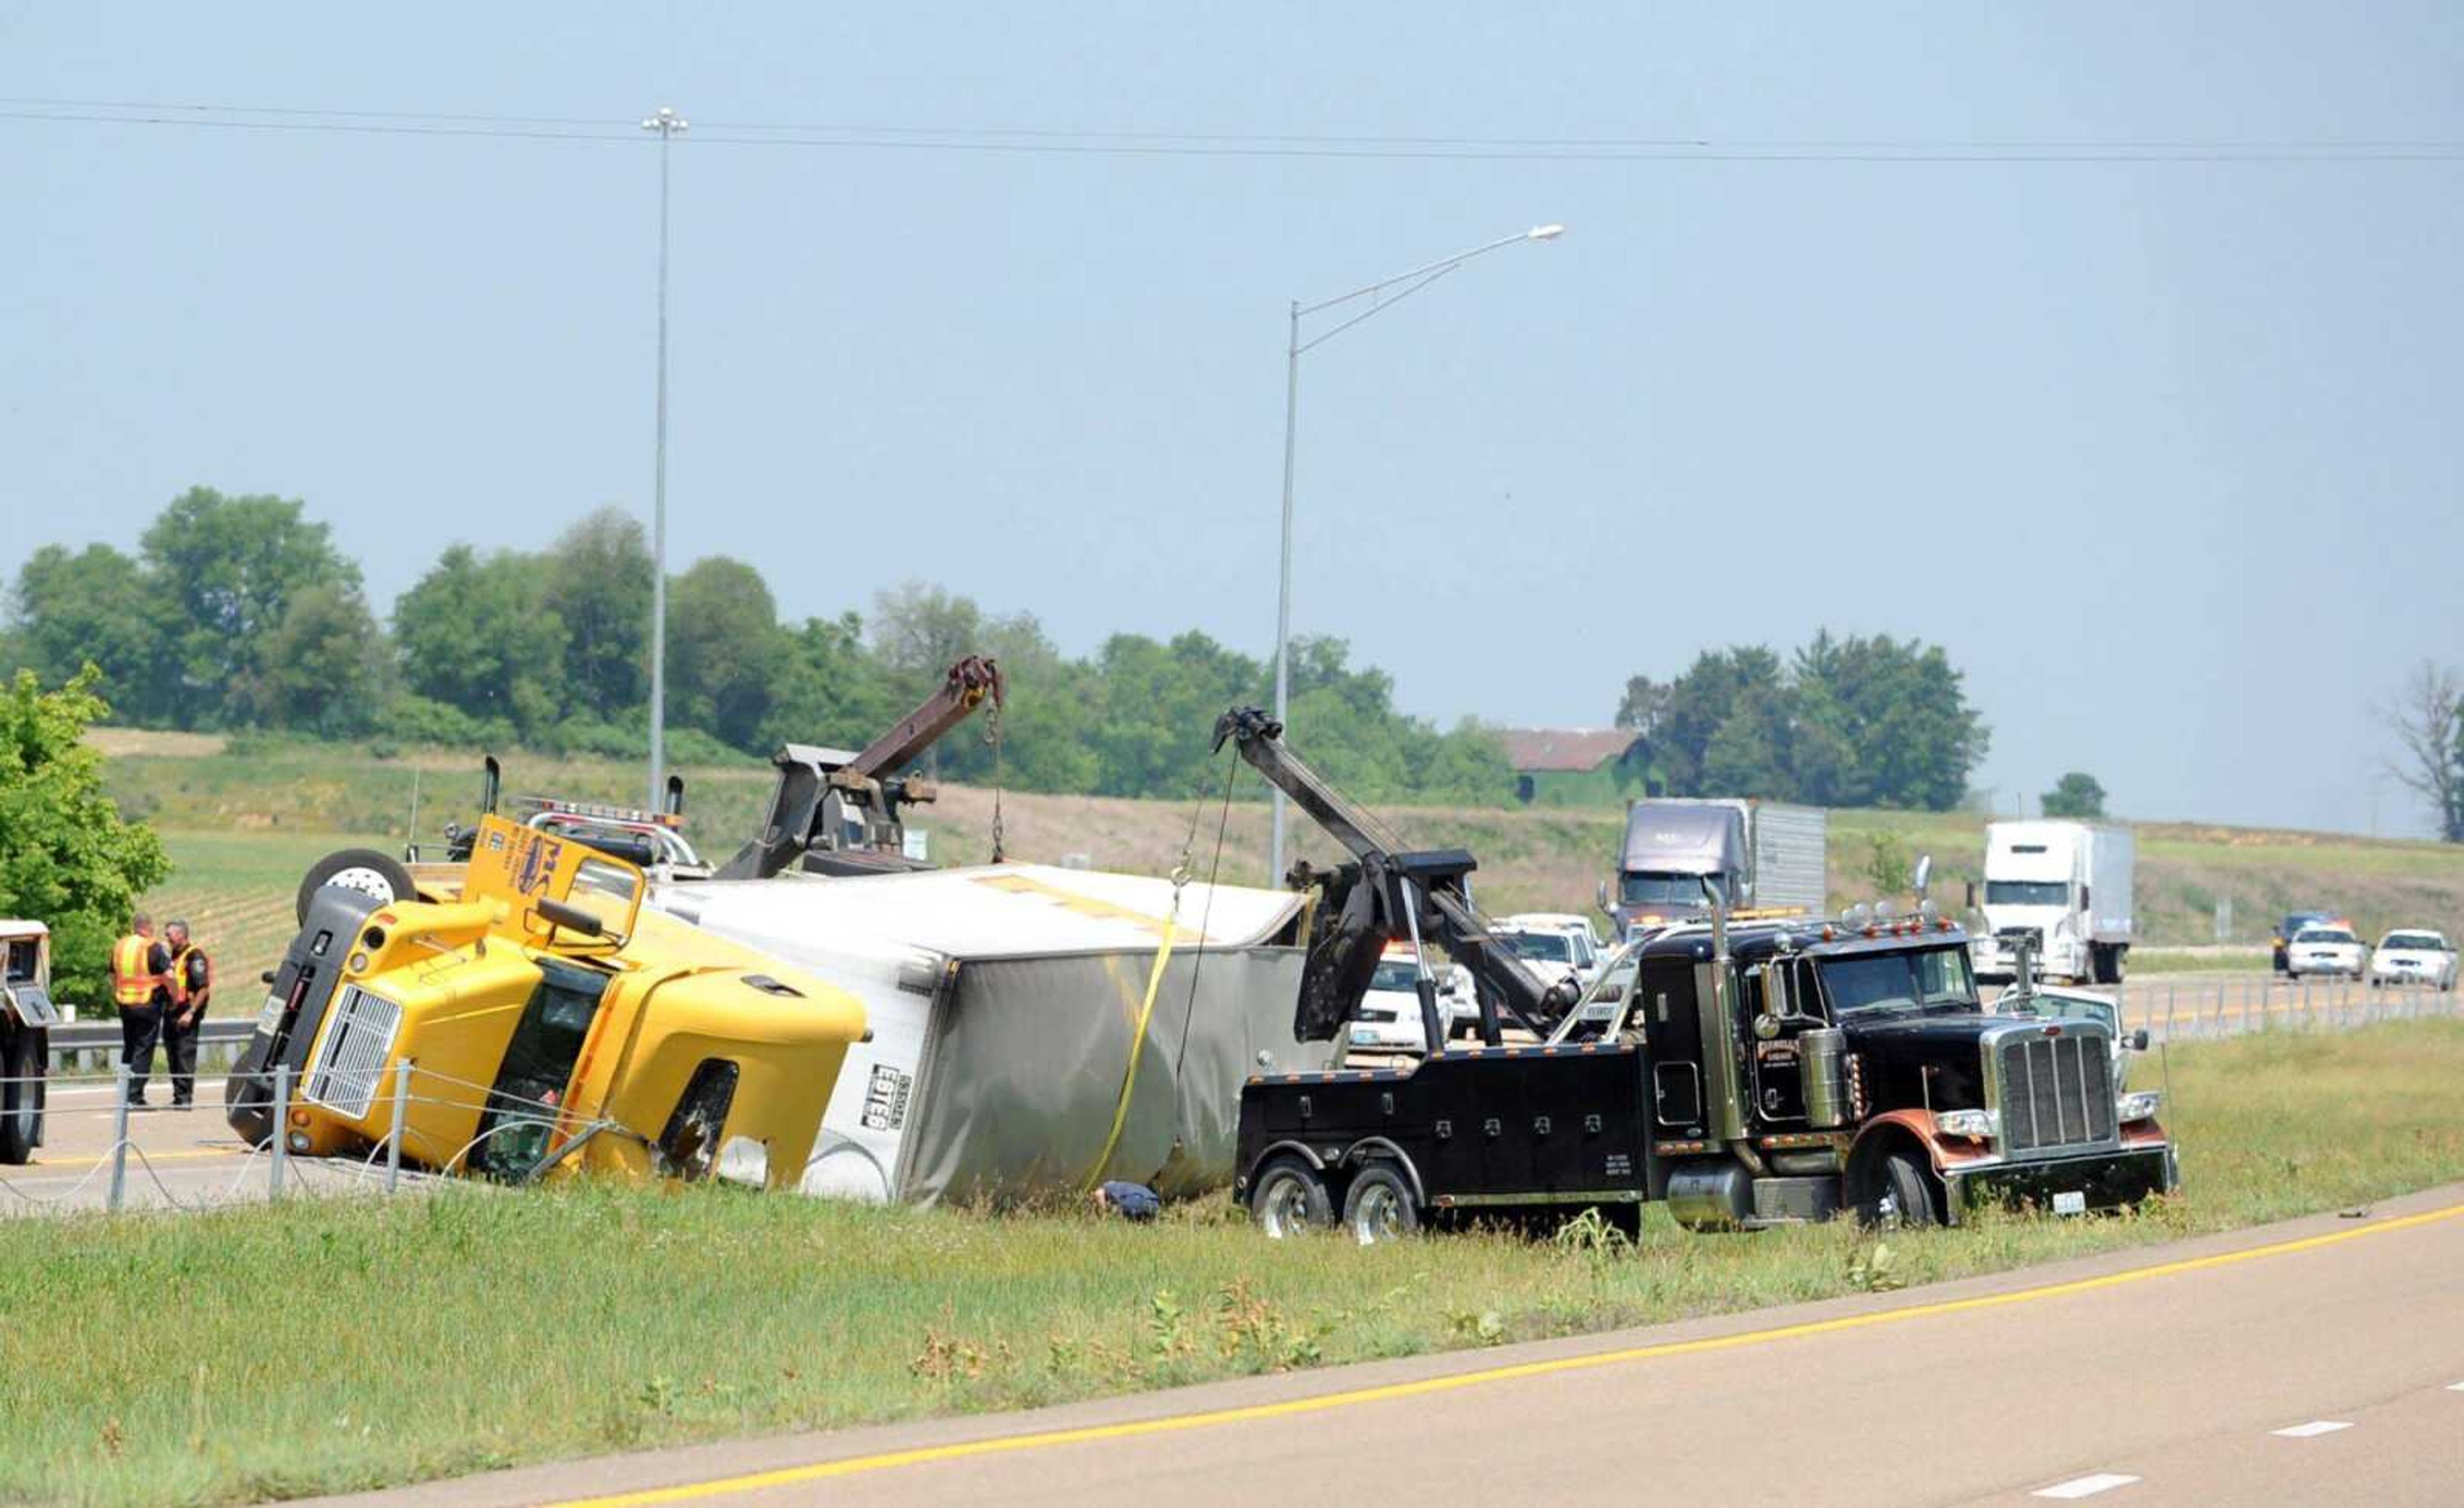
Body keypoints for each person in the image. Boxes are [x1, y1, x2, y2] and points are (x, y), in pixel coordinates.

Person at [109, 912, 165, 1107]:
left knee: (129, 1047)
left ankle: (124, 1093)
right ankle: (135, 1096)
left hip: (125, 1003)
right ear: (148, 927)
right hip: (147, 1003)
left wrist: (117, 995)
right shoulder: (153, 946)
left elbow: (113, 976)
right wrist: (174, 996)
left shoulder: (120, 946)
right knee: (143, 1048)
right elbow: (169, 976)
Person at [161, 919, 212, 1110]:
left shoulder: (195, 956)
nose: (167, 938)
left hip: (186, 1012)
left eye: (169, 934)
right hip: (171, 1012)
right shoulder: (172, 956)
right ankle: (178, 1097)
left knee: (184, 1055)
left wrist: (191, 1012)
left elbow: (203, 988)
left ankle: (185, 1099)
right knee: (173, 1055)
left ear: (181, 934)